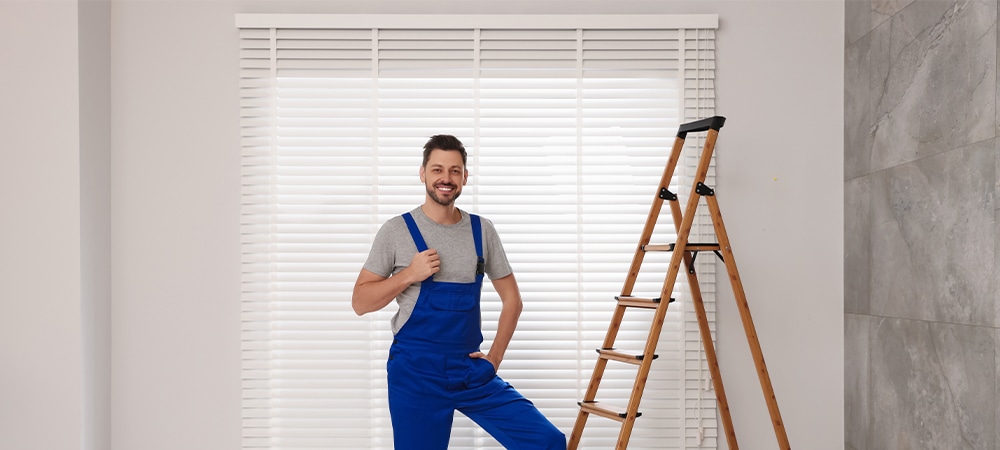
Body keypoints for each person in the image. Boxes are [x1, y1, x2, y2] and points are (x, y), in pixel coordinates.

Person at [352, 135, 566, 449]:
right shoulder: (396, 231)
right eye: (438, 169)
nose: (446, 178)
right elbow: (360, 302)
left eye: (455, 171)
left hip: (469, 371)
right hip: (416, 374)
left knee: (546, 441)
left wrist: (493, 359)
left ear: (465, 177)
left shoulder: (482, 231)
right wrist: (410, 274)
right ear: (422, 173)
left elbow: (513, 301)